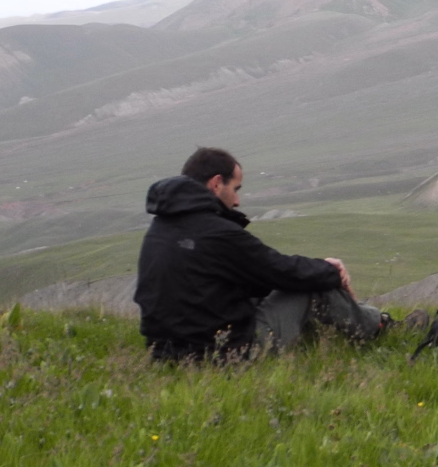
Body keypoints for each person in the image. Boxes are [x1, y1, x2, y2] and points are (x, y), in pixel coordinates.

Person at [135, 146, 388, 361]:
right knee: (314, 283)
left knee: (296, 282)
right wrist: (331, 269)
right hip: (225, 354)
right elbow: (281, 271)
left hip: (165, 353)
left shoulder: (159, 227)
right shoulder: (217, 233)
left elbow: (252, 278)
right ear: (215, 183)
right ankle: (378, 325)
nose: (237, 201)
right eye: (236, 188)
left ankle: (337, 328)